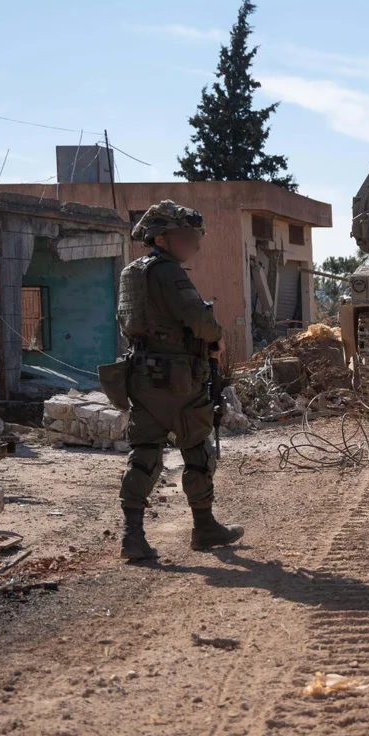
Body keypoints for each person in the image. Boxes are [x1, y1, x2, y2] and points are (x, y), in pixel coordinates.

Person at [115, 200, 243, 561]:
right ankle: (204, 527)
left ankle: (132, 537)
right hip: (179, 379)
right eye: (186, 237)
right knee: (197, 448)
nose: (193, 244)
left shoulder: (131, 273)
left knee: (143, 455)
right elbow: (199, 321)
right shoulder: (168, 271)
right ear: (162, 238)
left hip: (142, 376)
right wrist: (215, 335)